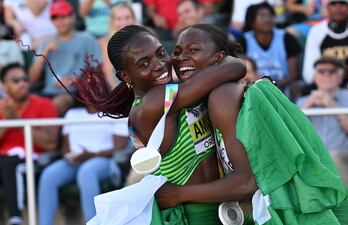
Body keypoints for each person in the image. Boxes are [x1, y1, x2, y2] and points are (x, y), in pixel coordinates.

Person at [156, 24, 348, 225]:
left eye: (194, 50)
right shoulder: (218, 95)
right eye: (177, 51)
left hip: (315, 211)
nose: (181, 57)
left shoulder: (222, 97)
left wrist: (178, 194)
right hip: (310, 205)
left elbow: (245, 182)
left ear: (219, 58)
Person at [68, 24, 247, 224]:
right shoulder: (151, 105)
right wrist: (221, 59)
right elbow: (236, 67)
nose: (160, 64)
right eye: (144, 64)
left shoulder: (179, 93)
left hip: (216, 208)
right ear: (126, 76)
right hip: (190, 215)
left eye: (161, 53)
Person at [38, 102, 129, 225]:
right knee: (49, 175)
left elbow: (119, 147)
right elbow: (65, 146)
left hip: (103, 160)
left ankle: (92, 222)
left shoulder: (116, 112)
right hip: (75, 161)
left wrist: (91, 155)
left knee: (86, 172)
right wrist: (69, 156)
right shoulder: (72, 113)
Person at [296, 57, 348, 191]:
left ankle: (345, 209)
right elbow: (289, 131)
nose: (327, 75)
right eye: (321, 71)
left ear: (341, 77)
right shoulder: (303, 101)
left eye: (332, 71)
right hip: (311, 158)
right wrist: (308, 105)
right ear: (315, 77)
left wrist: (333, 106)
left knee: (333, 157)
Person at [0, 63, 58, 225]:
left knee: (10, 164)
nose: (22, 83)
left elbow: (51, 144)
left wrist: (17, 121)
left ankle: (15, 219)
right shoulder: (2, 107)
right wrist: (7, 120)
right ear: (4, 86)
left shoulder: (44, 104)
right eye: (15, 80)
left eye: (24, 79)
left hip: (34, 162)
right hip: (4, 160)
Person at [28, 0, 102, 116]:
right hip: (48, 92)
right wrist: (45, 52)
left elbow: (98, 72)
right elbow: (32, 79)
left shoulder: (87, 39)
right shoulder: (45, 42)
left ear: (73, 16)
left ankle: (49, 134)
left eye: (64, 16)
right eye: (55, 17)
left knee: (58, 103)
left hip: (77, 92)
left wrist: (77, 80)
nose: (60, 21)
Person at [239, 2, 301, 94]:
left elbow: (294, 73)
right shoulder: (243, 41)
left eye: (270, 15)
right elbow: (239, 72)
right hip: (252, 89)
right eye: (262, 16)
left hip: (282, 87)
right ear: (251, 21)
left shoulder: (286, 38)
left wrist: (274, 86)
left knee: (296, 86)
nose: (267, 19)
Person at [99, 2, 138, 89]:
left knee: (171, 88)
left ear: (133, 18)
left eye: (127, 18)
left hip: (145, 87)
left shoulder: (146, 37)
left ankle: (169, 101)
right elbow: (108, 72)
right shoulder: (105, 42)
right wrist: (117, 93)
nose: (123, 22)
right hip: (121, 90)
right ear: (112, 21)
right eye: (119, 19)